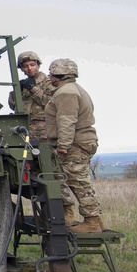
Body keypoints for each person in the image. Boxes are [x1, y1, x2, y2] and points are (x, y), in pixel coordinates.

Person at [44, 58, 106, 233]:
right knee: (68, 179)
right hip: (80, 141)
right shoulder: (72, 89)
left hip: (74, 143)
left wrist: (63, 145)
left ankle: (92, 222)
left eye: (51, 73)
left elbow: (66, 120)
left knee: (78, 181)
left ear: (59, 74)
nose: (49, 77)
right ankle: (74, 217)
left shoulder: (66, 92)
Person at [8, 51, 54, 141]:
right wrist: (16, 92)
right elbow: (13, 106)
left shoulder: (48, 82)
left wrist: (33, 88)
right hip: (25, 128)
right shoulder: (24, 84)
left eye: (32, 65)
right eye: (25, 66)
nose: (29, 68)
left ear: (38, 65)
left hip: (44, 130)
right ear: (21, 69)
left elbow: (50, 102)